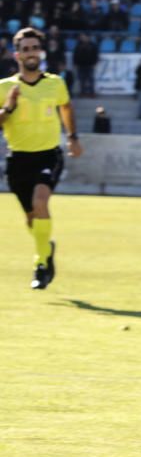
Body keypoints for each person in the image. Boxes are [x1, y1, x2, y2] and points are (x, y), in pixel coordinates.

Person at [0, 28, 84, 289]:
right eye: (25, 49)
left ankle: (41, 264)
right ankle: (46, 247)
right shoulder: (4, 87)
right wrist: (8, 107)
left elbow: (66, 106)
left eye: (34, 47)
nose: (31, 53)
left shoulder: (55, 83)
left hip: (49, 155)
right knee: (31, 218)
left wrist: (72, 136)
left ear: (41, 51)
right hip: (18, 160)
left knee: (40, 201)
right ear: (17, 55)